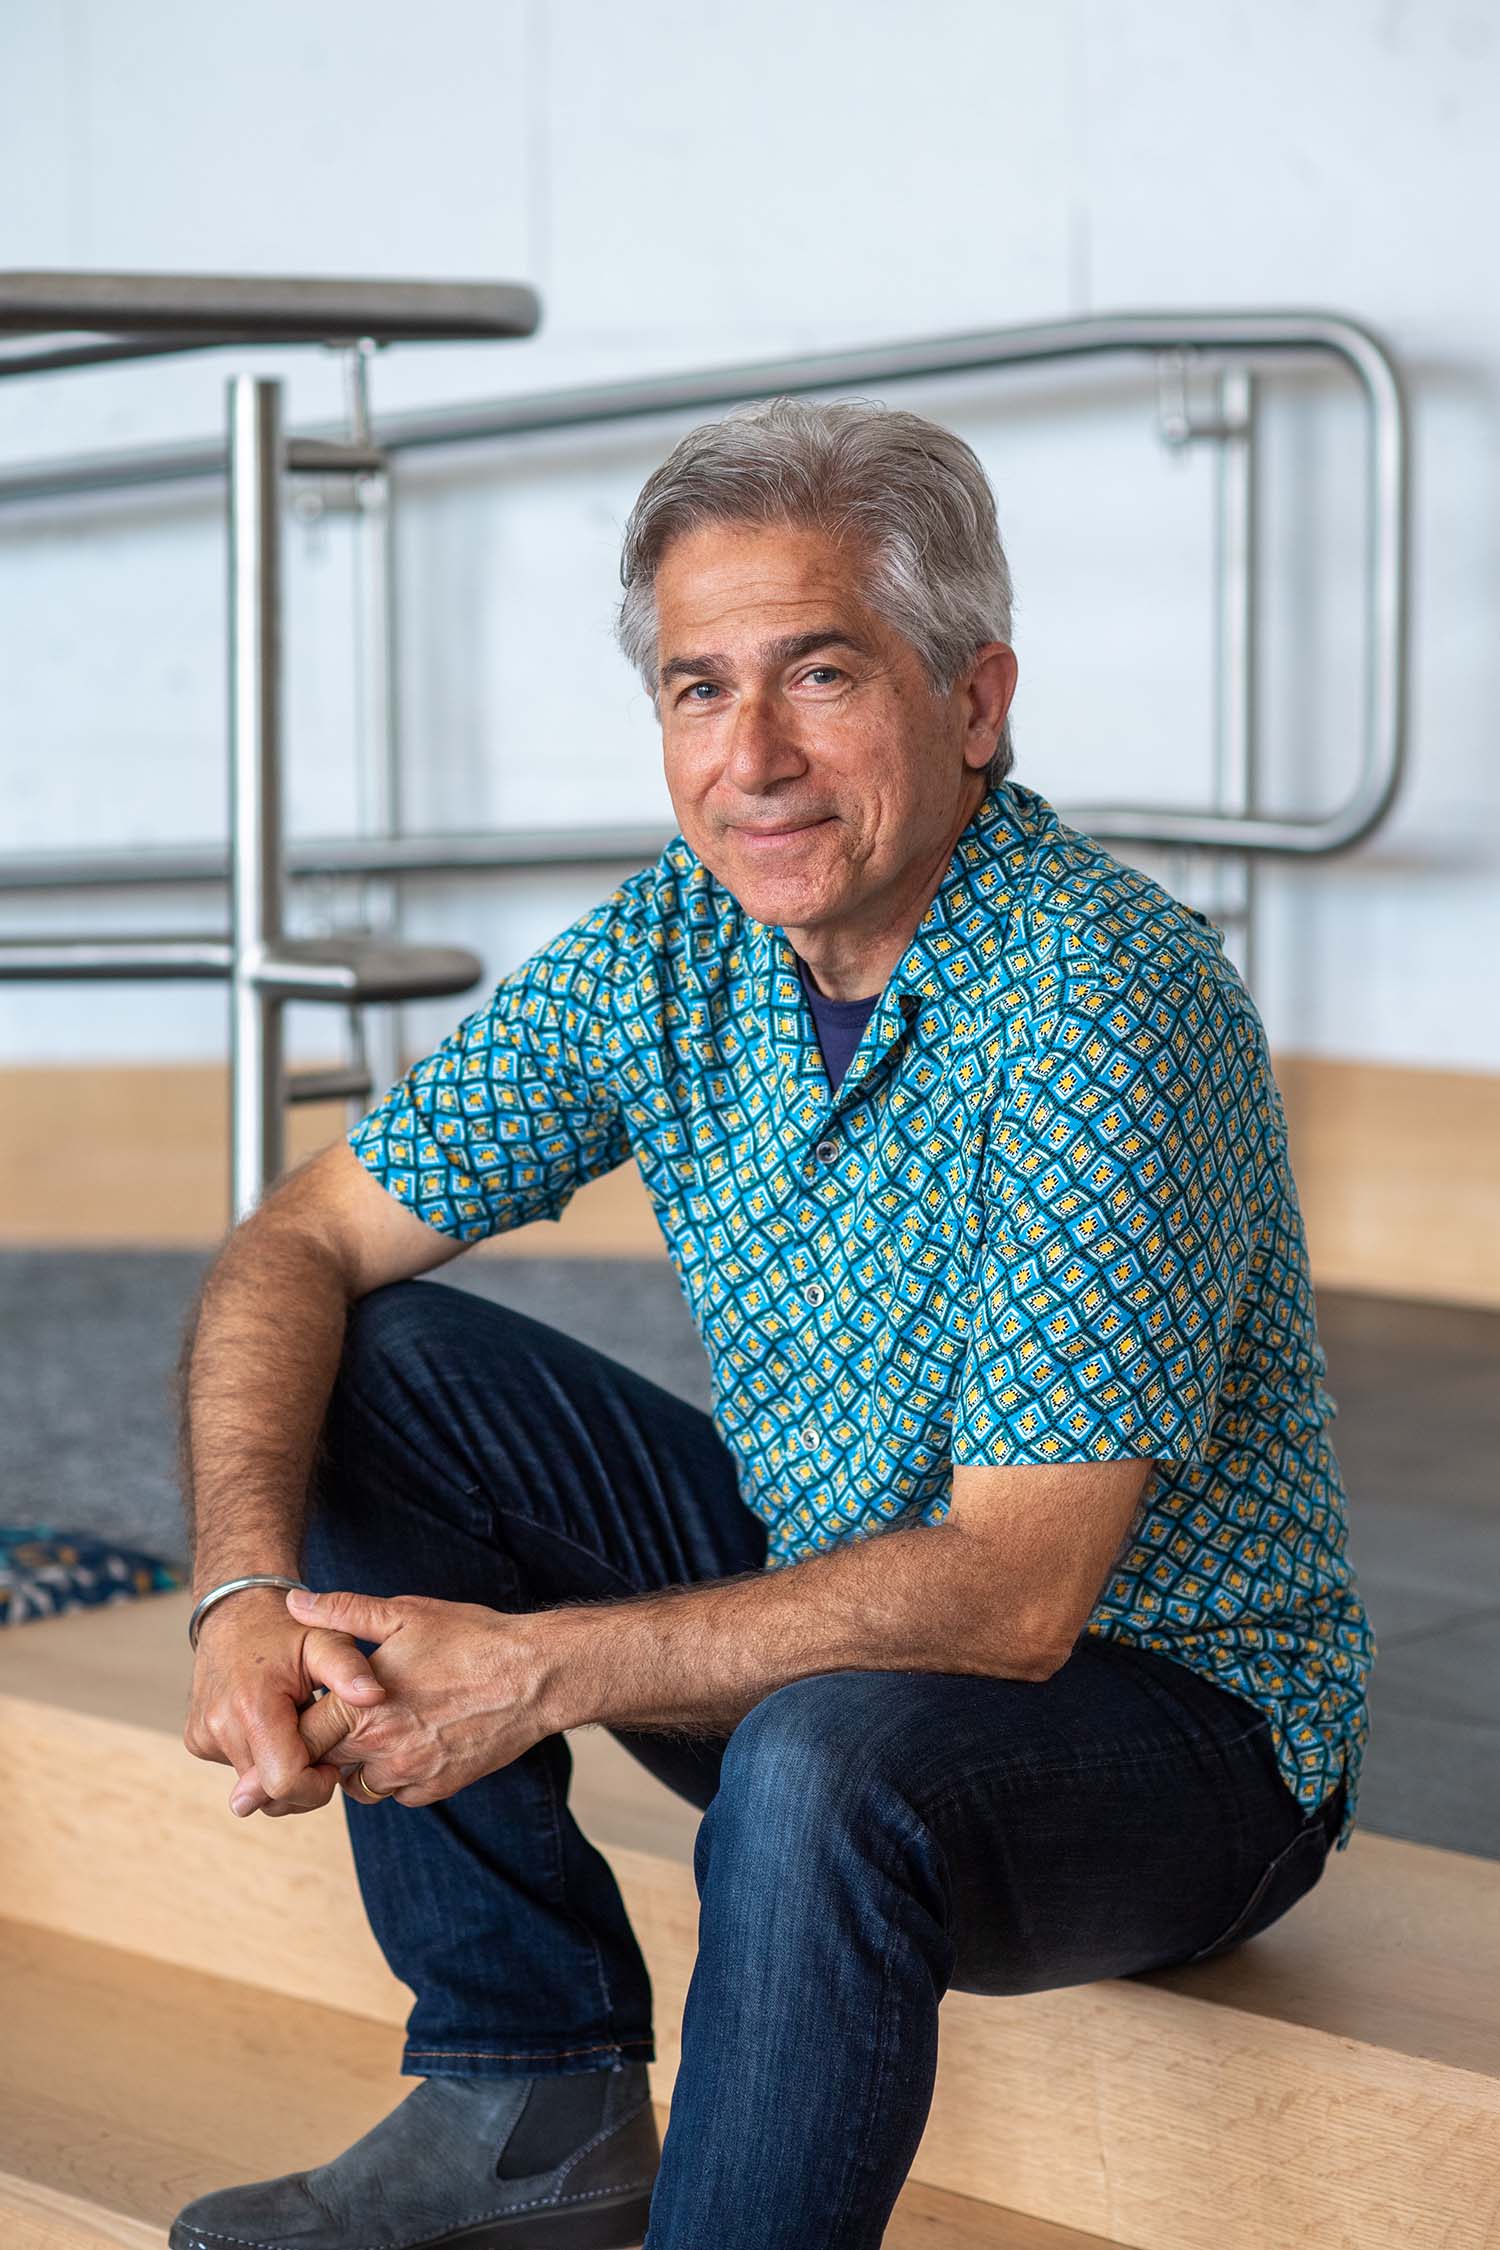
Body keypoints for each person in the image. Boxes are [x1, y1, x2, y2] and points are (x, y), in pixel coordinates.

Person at [171, 396, 1375, 2250]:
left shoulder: (1105, 1004)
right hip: (844, 1616)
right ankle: (526, 2087)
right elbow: (302, 1238)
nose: (755, 759)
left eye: (820, 674)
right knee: (379, 1370)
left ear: (973, 703)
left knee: (826, 1759)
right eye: (696, 688)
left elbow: (1011, 1595)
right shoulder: (677, 946)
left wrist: (542, 1666)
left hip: (1175, 1738)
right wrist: (241, 1589)